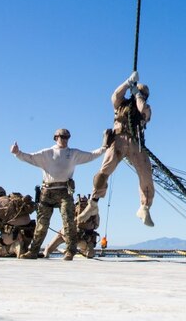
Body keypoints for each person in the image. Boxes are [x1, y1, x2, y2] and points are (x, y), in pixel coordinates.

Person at [11, 128, 104, 260]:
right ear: (55, 138)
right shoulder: (47, 153)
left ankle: (70, 251)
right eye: (61, 136)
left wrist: (104, 148)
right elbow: (30, 157)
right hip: (47, 192)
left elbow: (91, 155)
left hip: (64, 191)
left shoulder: (73, 154)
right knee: (42, 224)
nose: (64, 139)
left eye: (67, 137)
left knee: (69, 222)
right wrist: (17, 153)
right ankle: (33, 251)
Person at [79, 71, 156, 228]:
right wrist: (128, 83)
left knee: (146, 174)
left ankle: (145, 207)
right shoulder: (121, 104)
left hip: (136, 143)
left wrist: (137, 95)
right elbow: (115, 95)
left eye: (142, 93)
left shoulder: (146, 107)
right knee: (104, 171)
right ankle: (93, 203)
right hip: (118, 140)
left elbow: (142, 111)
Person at [47, 194, 99, 259]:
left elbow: (96, 225)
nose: (83, 205)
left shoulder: (92, 212)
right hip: (71, 235)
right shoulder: (91, 211)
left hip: (83, 238)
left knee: (90, 254)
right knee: (49, 249)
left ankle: (69, 251)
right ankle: (66, 251)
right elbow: (96, 225)